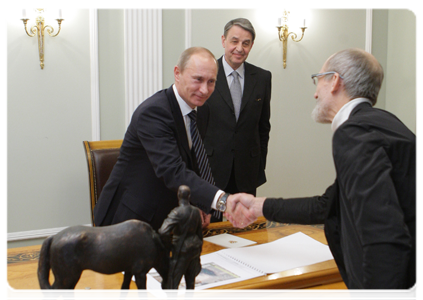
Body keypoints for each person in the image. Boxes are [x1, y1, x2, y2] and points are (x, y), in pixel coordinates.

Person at [225, 48, 420, 299]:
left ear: (335, 80)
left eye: (319, 80)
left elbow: (383, 234)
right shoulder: (381, 123)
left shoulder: (354, 132)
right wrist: (259, 206)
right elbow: (328, 205)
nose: (315, 92)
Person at [93, 47, 233, 230]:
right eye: (198, 79)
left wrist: (200, 202)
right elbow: (173, 170)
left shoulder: (202, 109)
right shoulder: (154, 112)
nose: (204, 90)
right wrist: (222, 200)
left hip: (167, 215)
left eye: (211, 81)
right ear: (177, 73)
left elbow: (193, 159)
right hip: (129, 219)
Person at [197, 18, 272, 217]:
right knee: (212, 231)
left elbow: (263, 128)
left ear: (251, 46)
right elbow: (195, 127)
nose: (239, 48)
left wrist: (258, 165)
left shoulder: (263, 78)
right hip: (211, 171)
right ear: (223, 41)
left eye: (245, 43)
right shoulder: (207, 74)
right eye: (234, 41)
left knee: (244, 229)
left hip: (247, 172)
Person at [159, 185, 203, 300]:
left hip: (181, 251)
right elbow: (200, 234)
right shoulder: (196, 211)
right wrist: (199, 251)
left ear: (178, 195)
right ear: (189, 196)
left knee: (173, 282)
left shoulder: (176, 212)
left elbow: (163, 231)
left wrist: (169, 246)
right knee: (190, 282)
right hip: (194, 250)